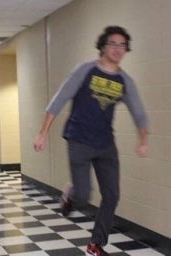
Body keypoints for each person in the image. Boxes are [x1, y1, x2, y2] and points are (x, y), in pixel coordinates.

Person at [33, 26, 148, 256]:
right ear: (103, 46)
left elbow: (139, 113)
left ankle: (95, 245)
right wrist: (43, 132)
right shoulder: (85, 70)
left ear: (126, 49)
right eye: (112, 43)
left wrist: (142, 139)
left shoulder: (125, 81)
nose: (117, 48)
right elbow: (60, 99)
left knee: (112, 195)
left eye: (122, 45)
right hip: (79, 139)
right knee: (84, 197)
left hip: (106, 144)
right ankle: (71, 193)